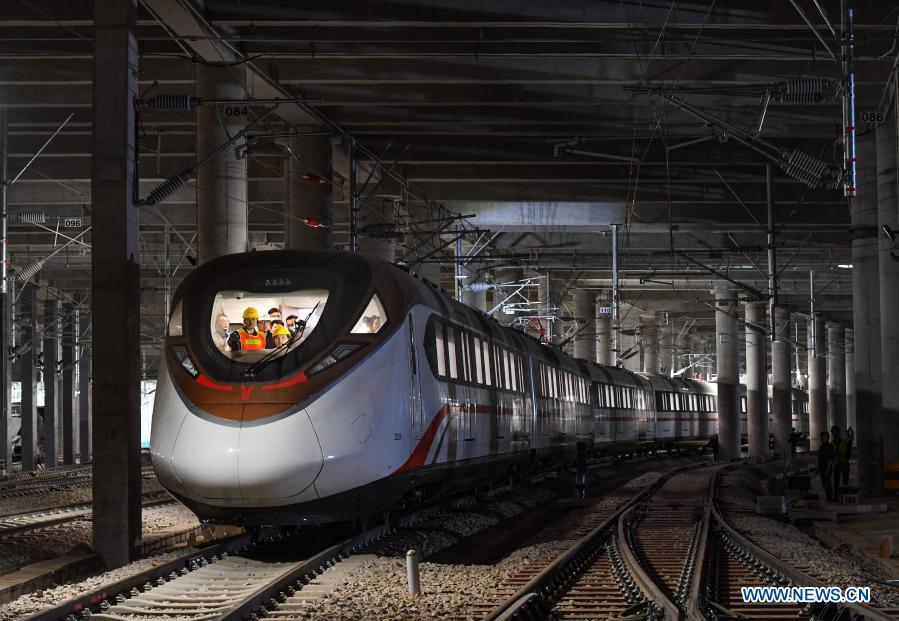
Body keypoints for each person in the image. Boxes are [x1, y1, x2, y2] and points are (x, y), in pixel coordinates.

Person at [818, 430, 835, 502]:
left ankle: (830, 497)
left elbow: (830, 459)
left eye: (824, 437)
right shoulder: (821, 447)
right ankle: (828, 496)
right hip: (822, 468)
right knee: (824, 483)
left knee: (827, 483)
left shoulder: (829, 446)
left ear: (827, 437)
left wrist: (827, 470)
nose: (822, 438)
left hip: (827, 468)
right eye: (821, 437)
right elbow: (820, 459)